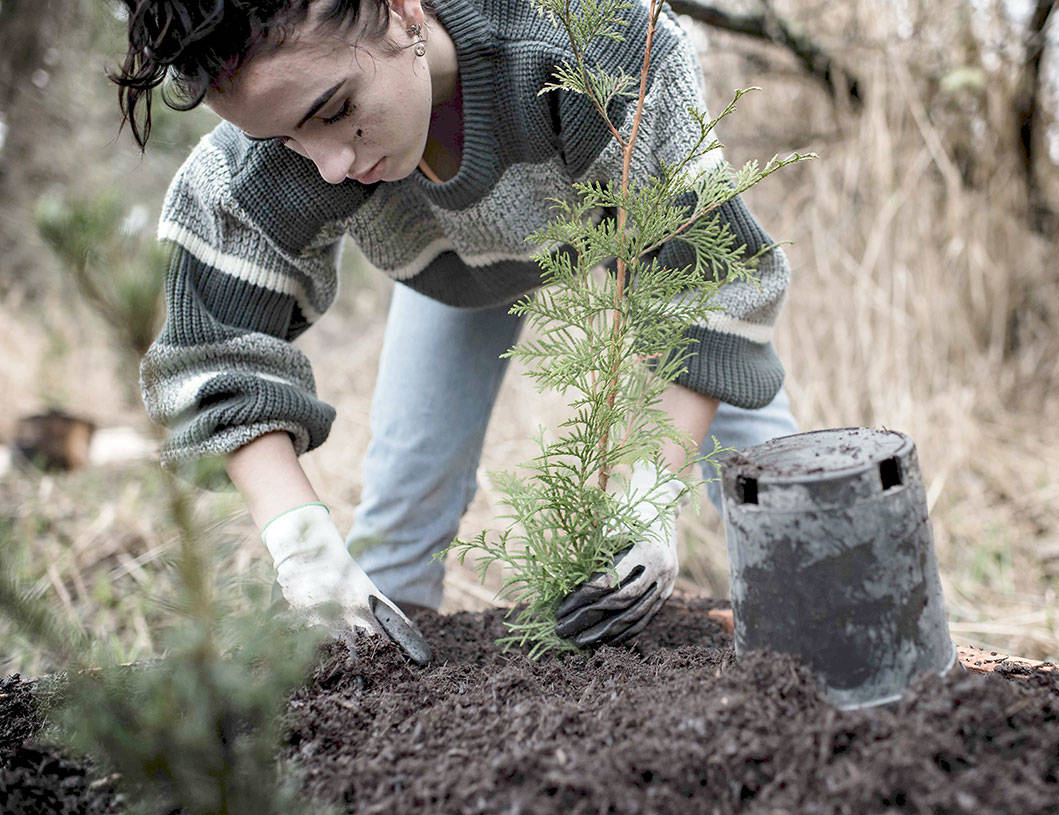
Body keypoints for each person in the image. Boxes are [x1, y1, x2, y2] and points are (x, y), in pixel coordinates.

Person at [115, 0, 797, 652]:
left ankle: (824, 633)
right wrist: (301, 543)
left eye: (335, 110)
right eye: (284, 137)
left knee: (781, 493)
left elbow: (711, 285)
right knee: (403, 509)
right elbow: (209, 353)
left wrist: (649, 494)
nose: (330, 164)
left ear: (402, 6)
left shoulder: (595, 41)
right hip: (453, 271)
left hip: (624, 231)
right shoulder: (270, 157)